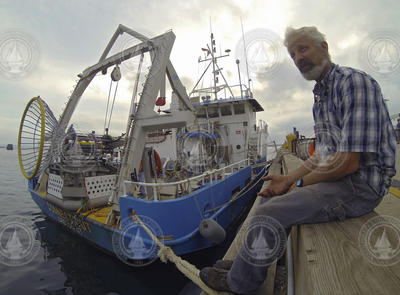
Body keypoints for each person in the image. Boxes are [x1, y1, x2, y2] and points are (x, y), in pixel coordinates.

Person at [199, 26, 396, 294]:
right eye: (293, 54)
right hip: (345, 179)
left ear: (324, 48)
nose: (298, 58)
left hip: (361, 185)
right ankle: (246, 264)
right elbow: (323, 156)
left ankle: (240, 283)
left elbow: (348, 163)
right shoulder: (320, 99)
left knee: (271, 211)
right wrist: (287, 178)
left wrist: (299, 182)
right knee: (267, 198)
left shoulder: (353, 83)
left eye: (303, 49)